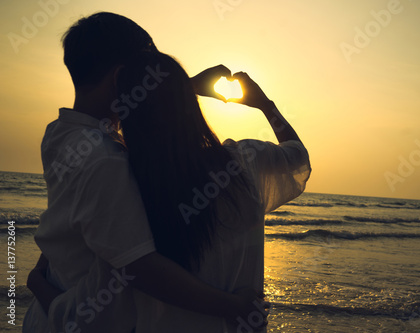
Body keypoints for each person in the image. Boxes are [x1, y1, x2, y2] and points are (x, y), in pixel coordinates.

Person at [23, 12, 266, 333]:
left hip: (52, 311)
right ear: (121, 77)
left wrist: (184, 87)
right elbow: (142, 269)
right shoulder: (105, 160)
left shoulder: (60, 133)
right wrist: (233, 306)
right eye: (146, 74)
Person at [116, 51, 311, 332]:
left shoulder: (122, 174)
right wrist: (265, 105)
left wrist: (184, 88)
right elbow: (298, 157)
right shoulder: (242, 164)